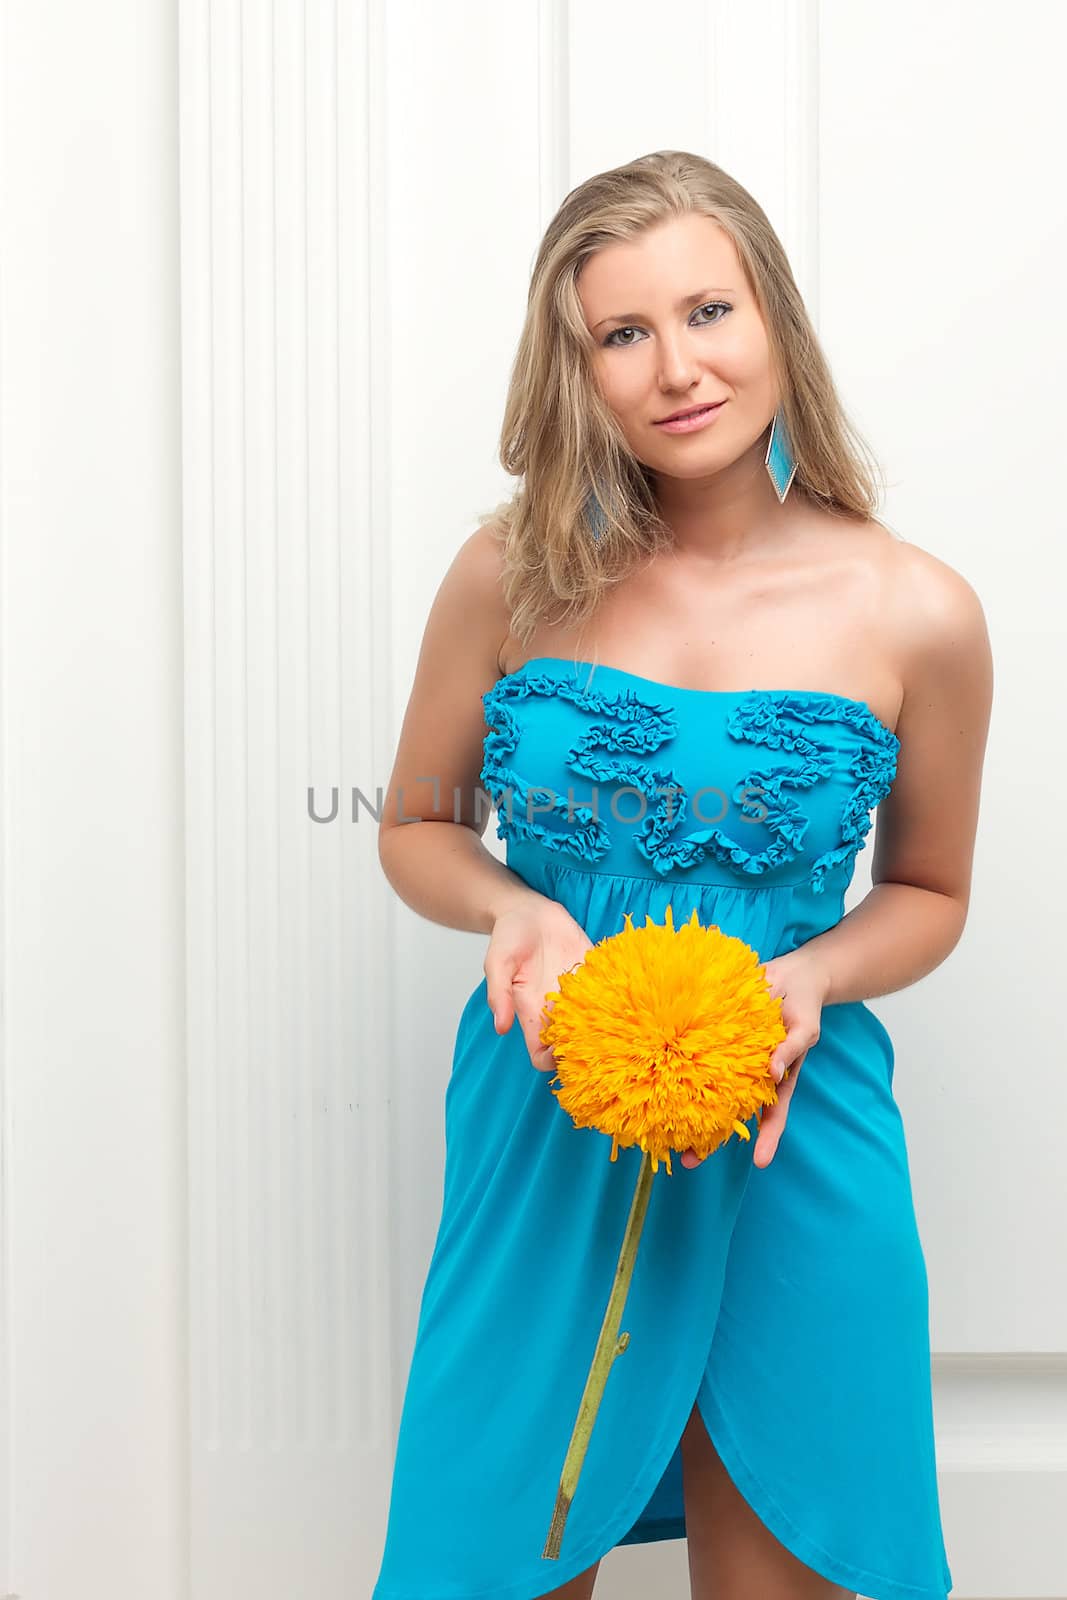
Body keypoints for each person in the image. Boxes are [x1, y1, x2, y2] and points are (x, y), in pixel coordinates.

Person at [371, 150, 991, 1600]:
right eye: (623, 333)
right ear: (575, 368)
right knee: (488, 1555)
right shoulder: (508, 573)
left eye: (709, 310)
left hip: (795, 1127)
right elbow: (415, 823)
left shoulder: (918, 608)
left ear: (773, 313)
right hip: (546, 1117)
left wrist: (812, 975)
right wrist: (513, 904)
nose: (677, 369)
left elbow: (932, 891)